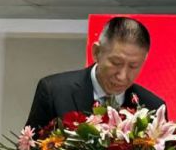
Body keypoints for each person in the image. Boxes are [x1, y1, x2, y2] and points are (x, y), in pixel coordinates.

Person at [25, 16, 165, 132]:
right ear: (96, 52)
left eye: (133, 66)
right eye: (116, 63)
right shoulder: (54, 92)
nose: (122, 76)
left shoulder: (153, 107)